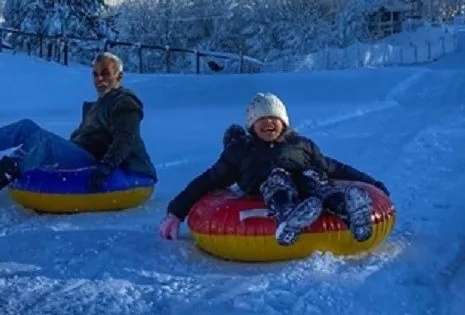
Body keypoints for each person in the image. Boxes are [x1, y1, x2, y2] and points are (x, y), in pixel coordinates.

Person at [157, 93, 389, 245]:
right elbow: (207, 180)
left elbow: (333, 167)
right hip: (270, 188)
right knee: (278, 178)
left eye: (274, 118)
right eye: (261, 119)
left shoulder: (301, 144)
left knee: (315, 178)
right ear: (251, 126)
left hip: (306, 186)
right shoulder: (241, 150)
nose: (269, 123)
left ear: (284, 122)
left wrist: (371, 183)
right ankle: (287, 216)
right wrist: (176, 212)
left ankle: (348, 211)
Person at [0, 52, 157, 206]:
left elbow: (125, 140)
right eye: (95, 74)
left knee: (43, 140)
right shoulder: (98, 105)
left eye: (106, 73)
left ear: (119, 76)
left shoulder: (125, 102)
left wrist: (105, 169)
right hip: (84, 153)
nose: (99, 79)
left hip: (98, 161)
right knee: (26, 126)